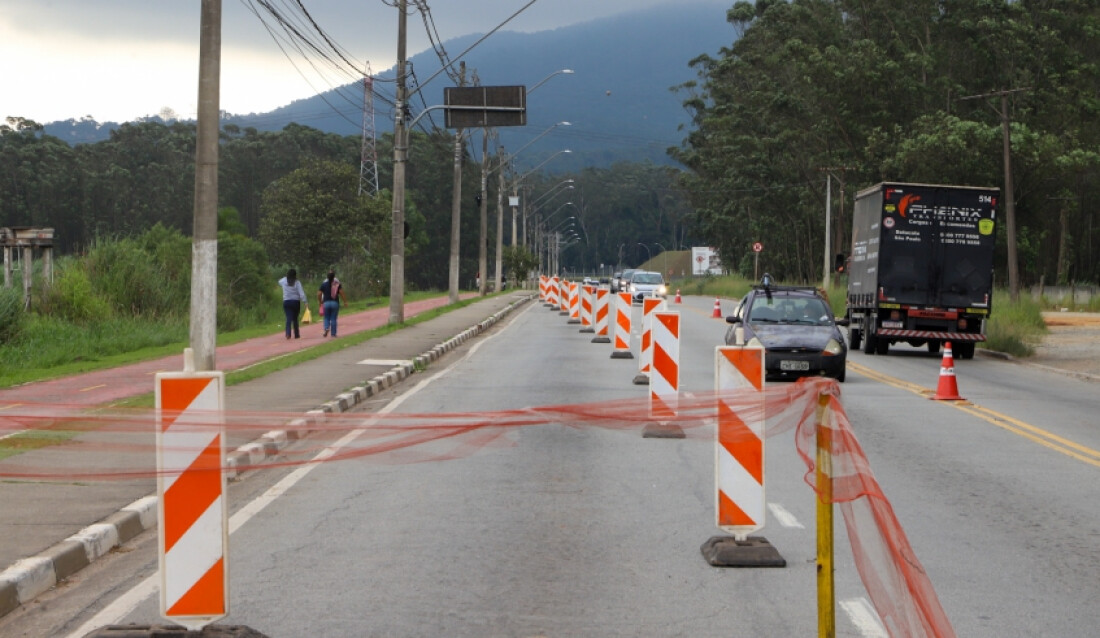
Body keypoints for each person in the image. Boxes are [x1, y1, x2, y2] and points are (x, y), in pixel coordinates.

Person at [278, 268, 308, 339]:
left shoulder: (284, 280)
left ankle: (288, 333)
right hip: (295, 302)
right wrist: (305, 302)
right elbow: (301, 294)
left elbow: (279, 282)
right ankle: (296, 334)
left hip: (287, 302)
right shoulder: (297, 282)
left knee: (288, 318)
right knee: (295, 318)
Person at [318, 270, 347, 337]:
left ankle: (326, 328)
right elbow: (342, 293)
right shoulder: (336, 284)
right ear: (334, 277)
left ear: (327, 277)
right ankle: (333, 334)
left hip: (326, 303)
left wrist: (320, 301)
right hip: (335, 303)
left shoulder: (324, 284)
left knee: (326, 317)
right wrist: (345, 301)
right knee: (333, 318)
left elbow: (319, 293)